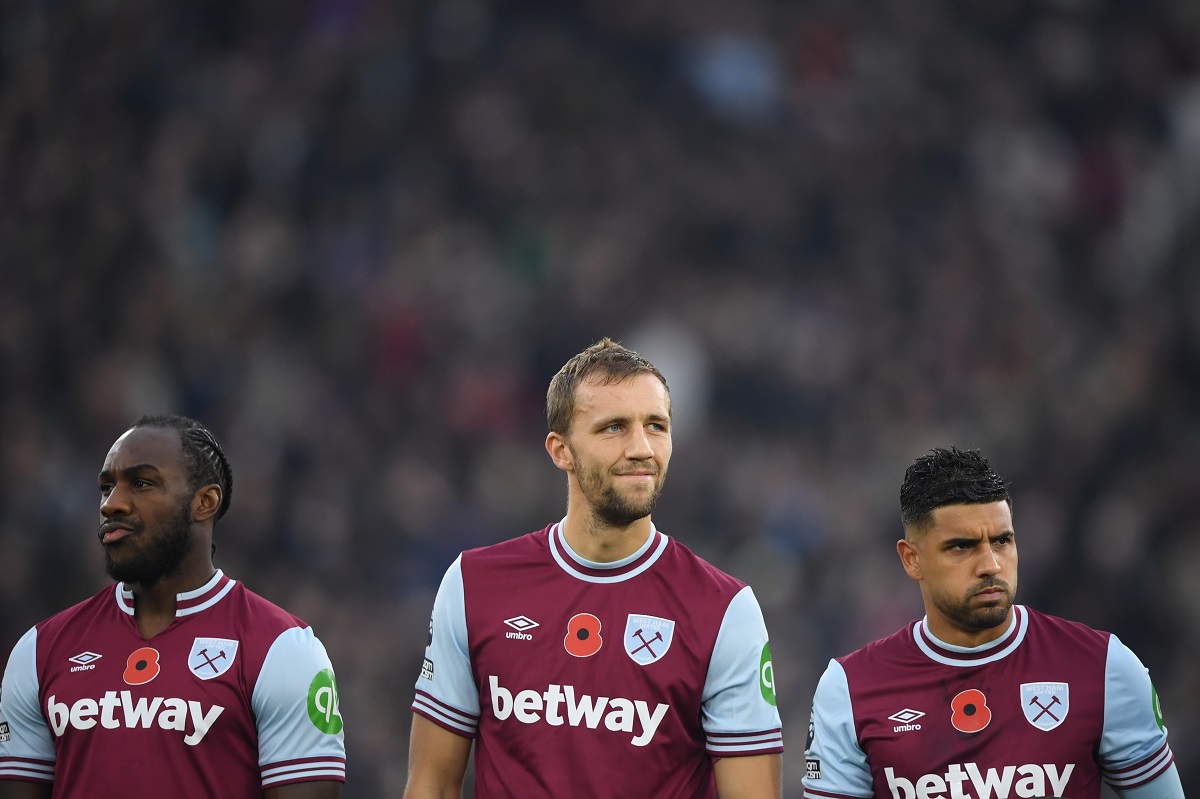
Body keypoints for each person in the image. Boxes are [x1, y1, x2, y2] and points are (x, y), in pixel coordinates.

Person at [403, 338, 783, 798]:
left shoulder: (724, 610)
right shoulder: (473, 585)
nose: (642, 448)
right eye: (614, 428)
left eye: (656, 426)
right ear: (561, 450)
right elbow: (432, 786)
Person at [802, 446, 1183, 799]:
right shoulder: (849, 690)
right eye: (962, 546)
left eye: (1002, 541)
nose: (991, 565)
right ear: (911, 559)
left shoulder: (1105, 668)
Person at [0, 415, 346, 798]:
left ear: (204, 502)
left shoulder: (283, 650)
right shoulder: (39, 651)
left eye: (142, 483)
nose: (111, 504)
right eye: (106, 487)